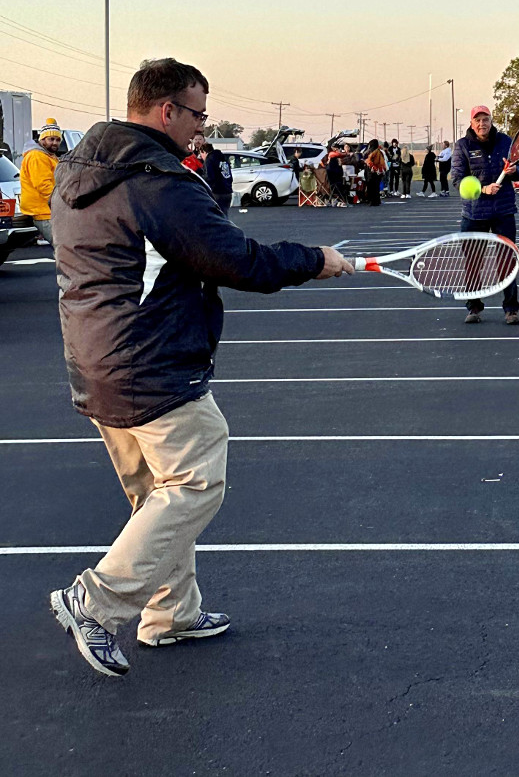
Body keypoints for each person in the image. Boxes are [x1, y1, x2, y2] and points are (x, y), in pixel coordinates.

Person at [48, 57, 353, 678]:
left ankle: (170, 614)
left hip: (95, 360)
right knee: (194, 485)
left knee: (155, 498)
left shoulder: (78, 169)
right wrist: (315, 258)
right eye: (197, 115)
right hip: (151, 363)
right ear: (167, 112)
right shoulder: (158, 179)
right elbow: (236, 259)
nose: (201, 128)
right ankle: (97, 601)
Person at [451, 105, 519, 325]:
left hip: (503, 212)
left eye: (486, 119)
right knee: (473, 262)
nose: (482, 124)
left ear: (491, 120)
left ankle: (511, 310)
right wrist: (483, 189)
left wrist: (514, 172)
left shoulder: (505, 141)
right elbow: (457, 179)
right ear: (472, 123)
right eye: (478, 120)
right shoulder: (463, 146)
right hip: (474, 214)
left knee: (506, 262)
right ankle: (474, 307)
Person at [19, 117, 61, 244]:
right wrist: (60, 203)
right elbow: (44, 185)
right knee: (65, 249)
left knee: (67, 250)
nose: (54, 143)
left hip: (48, 211)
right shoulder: (37, 156)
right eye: (51, 139)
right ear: (42, 139)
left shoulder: (49, 156)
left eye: (58, 139)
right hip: (43, 212)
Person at [200, 142, 233, 213]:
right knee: (224, 215)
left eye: (201, 154)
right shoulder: (223, 158)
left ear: (204, 152)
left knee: (216, 215)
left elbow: (209, 177)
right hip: (228, 191)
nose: (201, 157)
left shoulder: (209, 159)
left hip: (217, 192)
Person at [364, 139, 386, 206]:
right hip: (378, 171)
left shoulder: (370, 152)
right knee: (376, 187)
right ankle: (377, 200)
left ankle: (371, 201)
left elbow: (368, 160)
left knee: (370, 186)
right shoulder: (380, 152)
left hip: (371, 170)